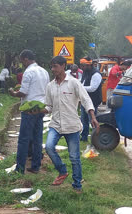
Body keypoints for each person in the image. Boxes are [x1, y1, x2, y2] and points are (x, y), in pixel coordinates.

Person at [41, 56, 99, 192]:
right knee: (49, 147)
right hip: (55, 124)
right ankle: (62, 171)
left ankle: (77, 185)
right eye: (52, 66)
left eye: (55, 66)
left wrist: (92, 116)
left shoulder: (73, 83)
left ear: (63, 66)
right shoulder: (50, 86)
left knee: (74, 157)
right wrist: (38, 111)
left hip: (72, 125)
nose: (53, 69)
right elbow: (48, 106)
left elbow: (85, 99)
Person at [8, 49, 50, 174]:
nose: (22, 64)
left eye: (22, 61)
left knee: (24, 139)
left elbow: (23, 92)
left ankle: (20, 169)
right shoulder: (44, 71)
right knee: (37, 137)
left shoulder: (29, 72)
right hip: (41, 108)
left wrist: (13, 93)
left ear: (26, 59)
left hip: (29, 109)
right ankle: (36, 166)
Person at [80, 57, 102, 142]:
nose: (82, 68)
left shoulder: (96, 74)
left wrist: (80, 87)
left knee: (92, 120)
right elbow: (83, 82)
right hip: (84, 99)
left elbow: (93, 88)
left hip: (93, 100)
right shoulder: (85, 72)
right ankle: (84, 137)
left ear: (88, 65)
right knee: (84, 120)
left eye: (83, 66)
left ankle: (96, 139)